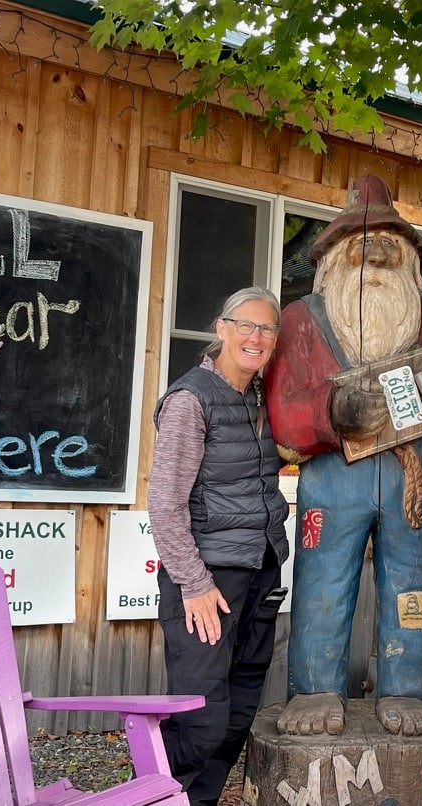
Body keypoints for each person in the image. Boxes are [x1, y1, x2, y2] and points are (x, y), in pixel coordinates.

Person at [263, 174, 422, 738]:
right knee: (322, 579)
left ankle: (407, 687)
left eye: (389, 249)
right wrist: (335, 410)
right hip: (333, 478)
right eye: (362, 248)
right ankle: (313, 687)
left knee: (414, 582)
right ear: (331, 259)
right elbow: (283, 414)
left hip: (419, 479)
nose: (375, 261)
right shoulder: (300, 321)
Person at [149, 286, 290, 806]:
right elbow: (165, 505)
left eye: (267, 328)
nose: (256, 337)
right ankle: (158, 796)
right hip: (209, 578)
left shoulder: (261, 397)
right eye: (245, 325)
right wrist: (194, 583)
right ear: (221, 328)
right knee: (201, 716)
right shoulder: (191, 400)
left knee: (239, 713)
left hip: (260, 570)